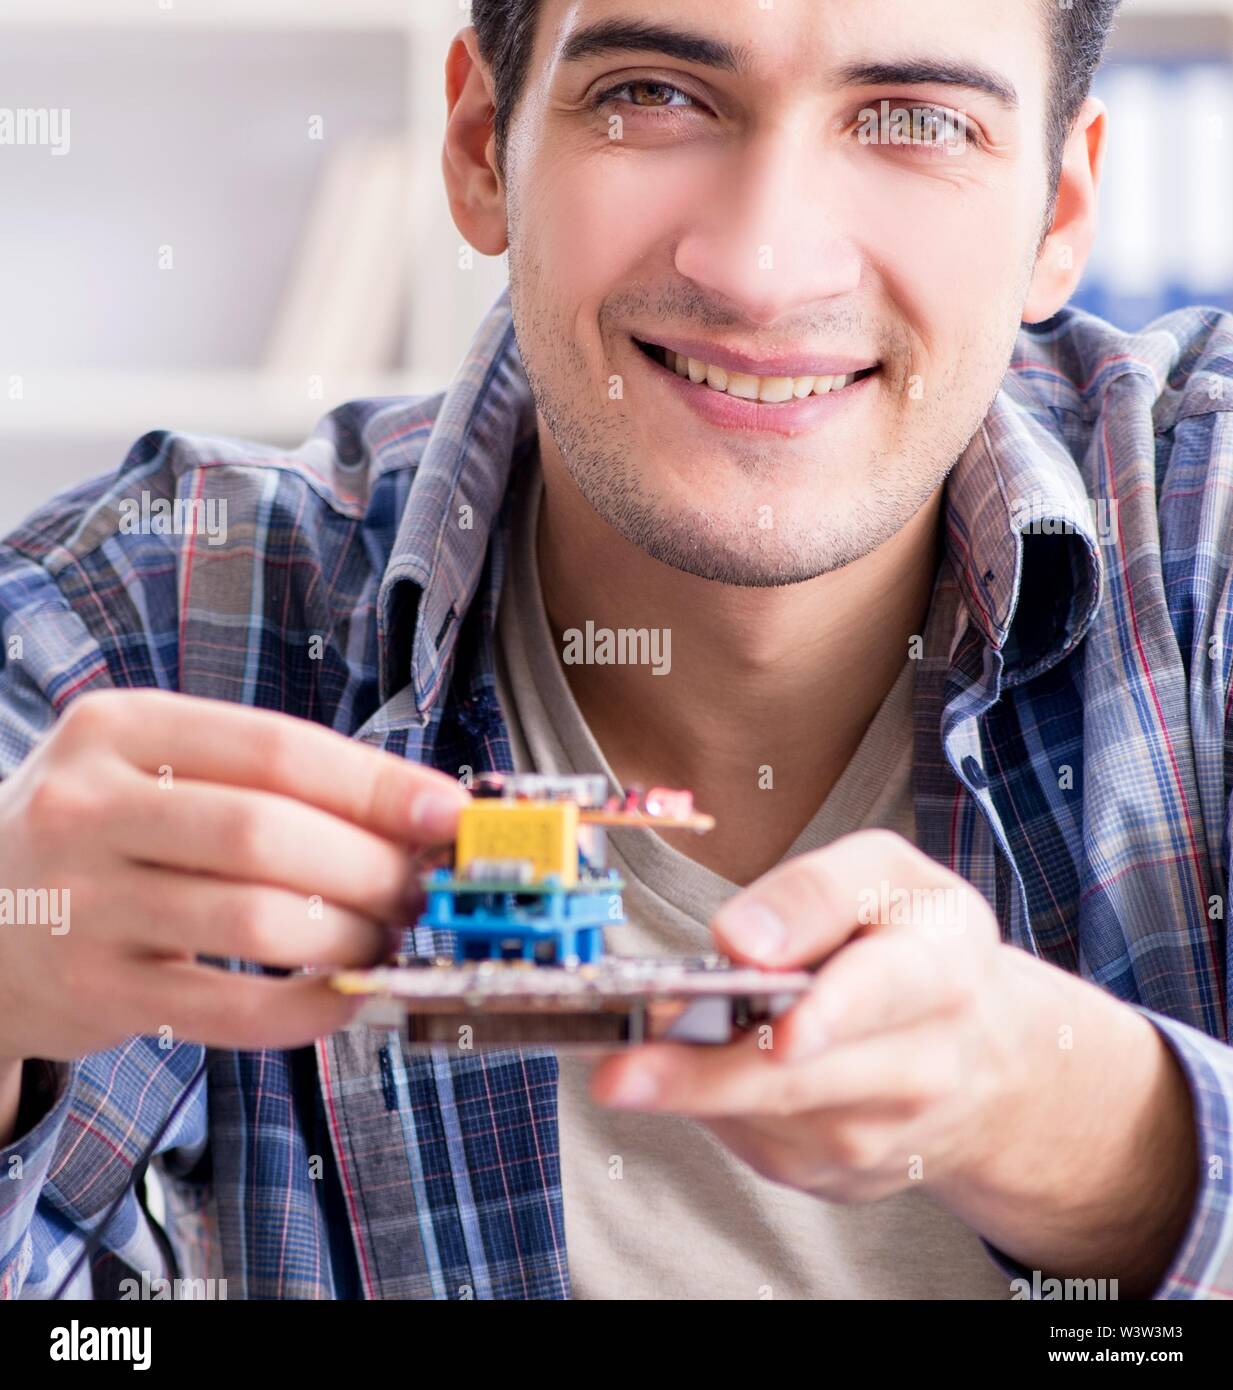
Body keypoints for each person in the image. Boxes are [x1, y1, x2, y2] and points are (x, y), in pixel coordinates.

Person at [1, 0, 1230, 1300]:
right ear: (482, 145)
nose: (761, 264)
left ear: (1057, 214)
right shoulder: (127, 625)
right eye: (652, 94)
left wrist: (1098, 1128)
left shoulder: (1204, 541)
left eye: (915, 121)